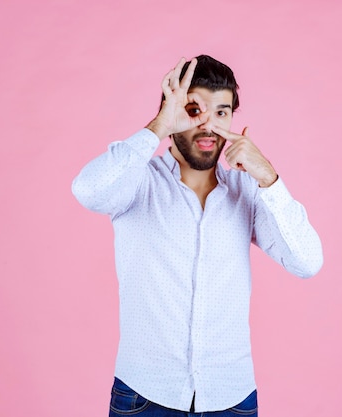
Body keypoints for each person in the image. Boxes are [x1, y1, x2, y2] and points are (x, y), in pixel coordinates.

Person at [72, 55, 323, 416]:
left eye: (221, 113)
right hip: (145, 397)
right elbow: (88, 190)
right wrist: (157, 127)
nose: (208, 125)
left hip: (231, 399)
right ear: (172, 113)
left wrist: (268, 177)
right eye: (193, 109)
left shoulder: (248, 191)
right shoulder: (138, 181)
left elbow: (307, 262)